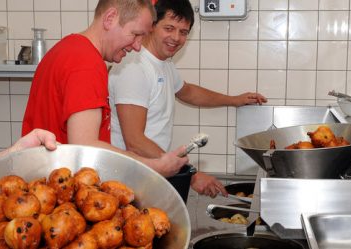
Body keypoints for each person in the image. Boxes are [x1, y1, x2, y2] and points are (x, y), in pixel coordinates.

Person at [108, 0, 267, 197]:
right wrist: (190, 173)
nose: (176, 37)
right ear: (151, 26)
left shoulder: (163, 64)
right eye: (169, 28)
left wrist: (234, 100)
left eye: (183, 32)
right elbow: (135, 141)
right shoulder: (134, 67)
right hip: (126, 182)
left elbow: (188, 92)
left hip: (149, 175)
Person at [21, 0, 187, 178]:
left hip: (41, 178)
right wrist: (152, 167)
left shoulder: (66, 48)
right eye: (136, 34)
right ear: (110, 19)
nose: (138, 46)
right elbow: (85, 145)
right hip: (60, 187)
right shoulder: (87, 64)